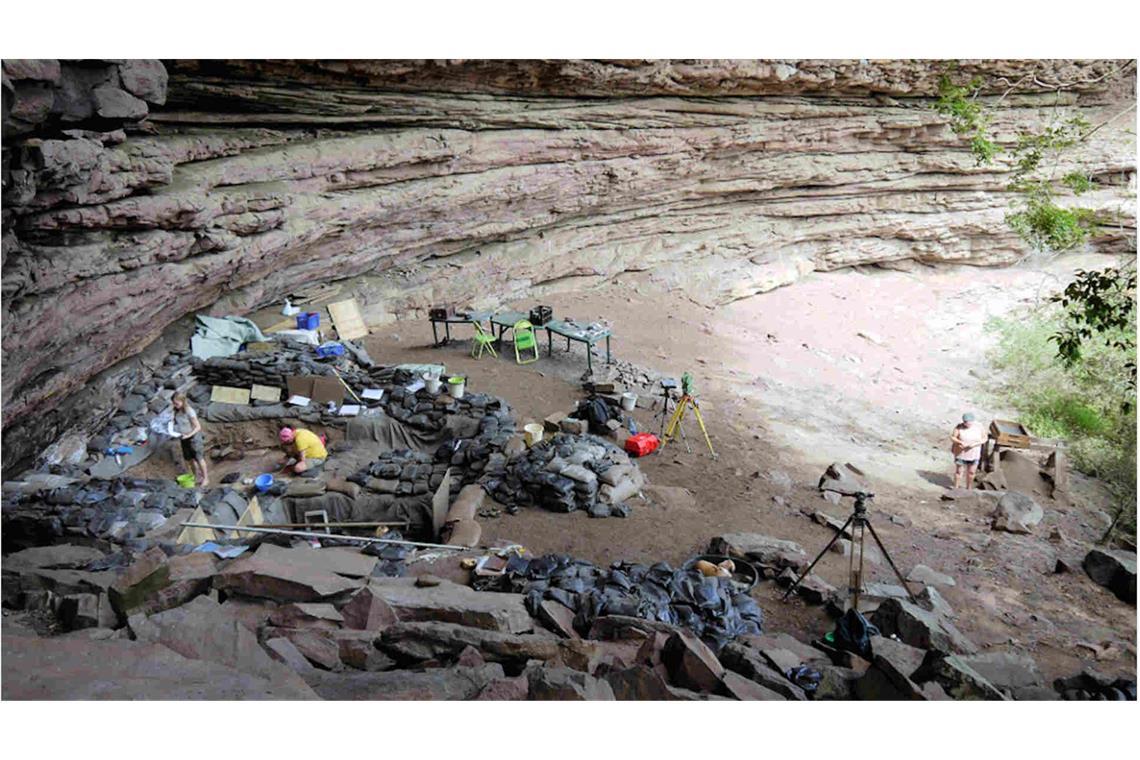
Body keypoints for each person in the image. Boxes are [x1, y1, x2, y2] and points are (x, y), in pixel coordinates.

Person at [172, 393, 208, 487]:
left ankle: (205, 478)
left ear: (183, 401)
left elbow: (197, 427)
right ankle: (196, 476)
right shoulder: (176, 411)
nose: (175, 405)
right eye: (174, 403)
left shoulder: (189, 411)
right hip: (183, 437)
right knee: (189, 459)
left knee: (199, 458)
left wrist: (189, 435)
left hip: (194, 438)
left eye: (177, 403)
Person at [950, 412, 986, 490]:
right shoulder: (959, 427)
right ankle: (956, 487)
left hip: (974, 453)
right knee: (959, 472)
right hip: (961, 453)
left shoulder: (979, 427)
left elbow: (984, 438)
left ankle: (969, 488)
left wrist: (974, 444)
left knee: (971, 472)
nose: (967, 423)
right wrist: (960, 442)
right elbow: (953, 437)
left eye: (969, 422)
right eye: (965, 422)